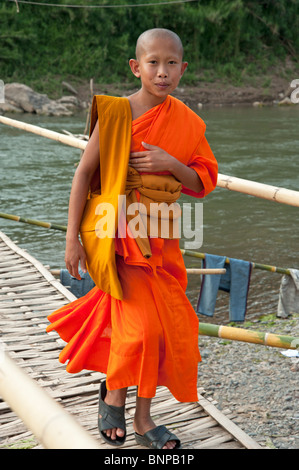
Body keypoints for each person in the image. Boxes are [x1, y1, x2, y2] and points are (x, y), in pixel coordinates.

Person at [46, 28, 218, 449]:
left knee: (163, 328)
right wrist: (72, 240)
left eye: (171, 63)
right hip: (117, 234)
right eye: (153, 62)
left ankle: (131, 408)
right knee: (142, 329)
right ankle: (125, 405)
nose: (162, 72)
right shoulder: (118, 113)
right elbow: (85, 173)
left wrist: (171, 162)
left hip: (161, 237)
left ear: (183, 68)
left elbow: (202, 181)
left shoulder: (189, 122)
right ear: (135, 66)